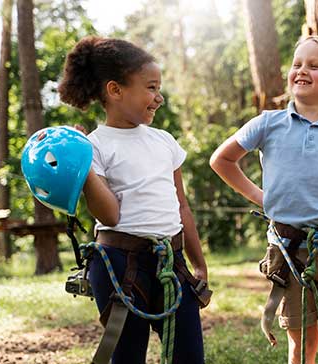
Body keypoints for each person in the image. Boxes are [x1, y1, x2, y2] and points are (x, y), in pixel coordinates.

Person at [210, 35, 318, 364]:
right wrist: (262, 197)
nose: (302, 70)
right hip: (289, 251)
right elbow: (222, 160)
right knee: (302, 347)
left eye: (314, 66)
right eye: (297, 64)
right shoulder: (267, 123)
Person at [57, 36, 208, 364]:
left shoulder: (165, 141)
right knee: (126, 357)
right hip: (118, 264)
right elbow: (109, 216)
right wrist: (80, 163)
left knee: (190, 357)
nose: (159, 97)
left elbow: (182, 207)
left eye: (159, 88)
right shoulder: (94, 146)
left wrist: (197, 262)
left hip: (172, 261)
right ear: (115, 90)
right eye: (151, 87)